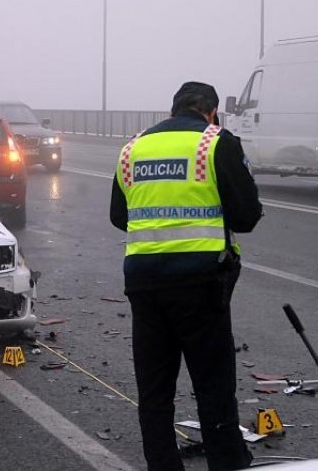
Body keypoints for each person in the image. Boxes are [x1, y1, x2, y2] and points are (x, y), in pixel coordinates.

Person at [109, 81, 263, 471]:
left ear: (173, 108)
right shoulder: (216, 142)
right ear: (211, 112)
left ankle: (162, 465)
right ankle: (227, 463)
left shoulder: (133, 147)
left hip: (144, 284)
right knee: (213, 387)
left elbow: (119, 216)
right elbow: (246, 215)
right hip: (201, 284)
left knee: (155, 390)